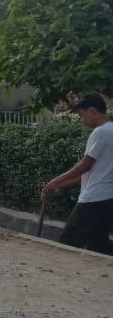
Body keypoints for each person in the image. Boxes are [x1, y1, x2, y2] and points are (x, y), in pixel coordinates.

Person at [43, 93, 113, 255]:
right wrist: (59, 184)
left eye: (82, 115)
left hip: (93, 198)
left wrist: (55, 180)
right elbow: (93, 171)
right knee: (99, 244)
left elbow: (85, 165)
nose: (82, 120)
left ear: (92, 111)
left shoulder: (100, 132)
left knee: (67, 243)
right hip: (107, 198)